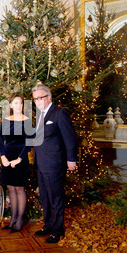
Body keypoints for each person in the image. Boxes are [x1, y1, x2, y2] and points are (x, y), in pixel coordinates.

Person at [32, 82, 78, 244]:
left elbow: (70, 138)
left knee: (56, 197)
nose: (37, 101)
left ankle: (58, 231)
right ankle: (48, 225)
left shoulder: (59, 113)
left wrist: (71, 159)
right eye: (35, 99)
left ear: (49, 97)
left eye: (40, 98)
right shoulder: (39, 115)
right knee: (45, 197)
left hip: (54, 164)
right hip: (41, 164)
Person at [0, 93, 32, 233]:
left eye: (21, 103)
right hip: (7, 158)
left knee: (19, 189)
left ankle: (19, 219)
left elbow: (30, 143)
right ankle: (12, 218)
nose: (19, 105)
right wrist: (3, 157)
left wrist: (19, 159)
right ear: (11, 105)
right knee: (11, 188)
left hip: (20, 159)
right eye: (16, 103)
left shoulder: (27, 121)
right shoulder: (5, 121)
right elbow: (0, 140)